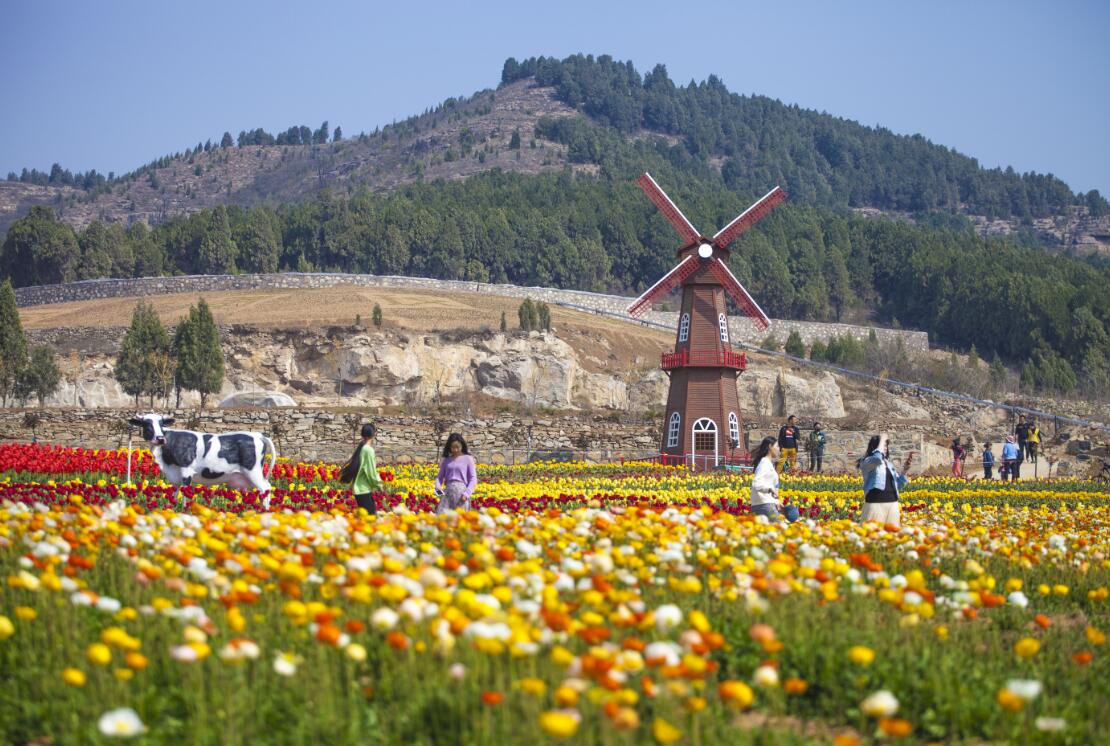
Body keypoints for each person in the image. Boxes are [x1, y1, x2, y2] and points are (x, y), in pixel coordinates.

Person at [858, 433, 913, 529]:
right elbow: (877, 459)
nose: (885, 448)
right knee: (873, 534)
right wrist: (882, 439)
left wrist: (905, 470)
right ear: (874, 447)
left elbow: (898, 485)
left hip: (892, 504)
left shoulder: (889, 464)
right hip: (875, 504)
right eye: (882, 445)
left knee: (891, 535)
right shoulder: (867, 461)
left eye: (886, 445)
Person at [341, 423, 382, 514]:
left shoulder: (362, 447)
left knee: (366, 517)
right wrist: (379, 485)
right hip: (364, 489)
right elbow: (371, 472)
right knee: (370, 518)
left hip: (359, 489)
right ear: (374, 434)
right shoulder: (368, 450)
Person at [435, 433, 478, 514]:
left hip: (462, 496)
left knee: (460, 518)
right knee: (442, 517)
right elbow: (439, 478)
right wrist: (438, 490)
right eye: (453, 447)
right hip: (447, 494)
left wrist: (467, 493)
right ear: (449, 447)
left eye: (457, 447)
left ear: (462, 446)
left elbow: (473, 478)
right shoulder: (446, 460)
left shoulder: (468, 459)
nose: (455, 450)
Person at [749, 436, 786, 521]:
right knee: (778, 528)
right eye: (777, 446)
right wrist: (768, 489)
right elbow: (756, 483)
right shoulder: (764, 463)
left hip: (765, 503)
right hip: (765, 505)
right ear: (770, 446)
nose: (779, 449)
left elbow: (770, 486)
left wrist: (777, 502)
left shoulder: (768, 463)